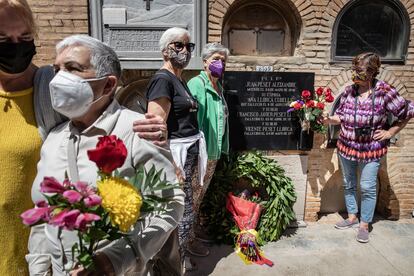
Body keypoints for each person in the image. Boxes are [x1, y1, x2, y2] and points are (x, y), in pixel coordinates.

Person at [0, 1, 167, 274]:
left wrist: (115, 260)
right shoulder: (56, 135)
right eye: (3, 39)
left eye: (25, 37)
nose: (15, 46)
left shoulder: (49, 94)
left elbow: (165, 200)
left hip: (55, 258)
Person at [26, 34, 185, 275]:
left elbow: (170, 203)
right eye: (57, 69)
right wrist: (38, 269)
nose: (59, 78)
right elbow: (43, 215)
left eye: (73, 69)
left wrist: (116, 259)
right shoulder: (54, 138)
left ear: (108, 84)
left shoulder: (138, 131)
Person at [322, 52, 414, 243]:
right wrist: (328, 120)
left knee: (367, 186)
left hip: (372, 149)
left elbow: (407, 112)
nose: (355, 75)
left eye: (360, 71)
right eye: (354, 70)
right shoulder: (349, 91)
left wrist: (390, 133)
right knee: (349, 183)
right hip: (347, 146)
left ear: (372, 72)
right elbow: (340, 116)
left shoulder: (384, 91)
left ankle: (364, 224)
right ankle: (352, 217)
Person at [146, 27, 208, 271]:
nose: (185, 51)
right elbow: (155, 127)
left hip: (188, 153)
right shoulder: (163, 80)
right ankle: (174, 263)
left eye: (188, 46)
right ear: (165, 51)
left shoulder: (178, 78)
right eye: (178, 45)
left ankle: (179, 257)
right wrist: (172, 164)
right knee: (178, 211)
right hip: (176, 157)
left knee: (186, 210)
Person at [187, 42, 230, 241]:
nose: (220, 64)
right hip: (200, 154)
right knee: (191, 198)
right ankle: (187, 239)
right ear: (205, 62)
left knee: (199, 196)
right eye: (215, 59)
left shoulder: (219, 87)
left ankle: (192, 232)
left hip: (213, 152)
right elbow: (191, 121)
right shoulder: (197, 84)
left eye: (223, 60)